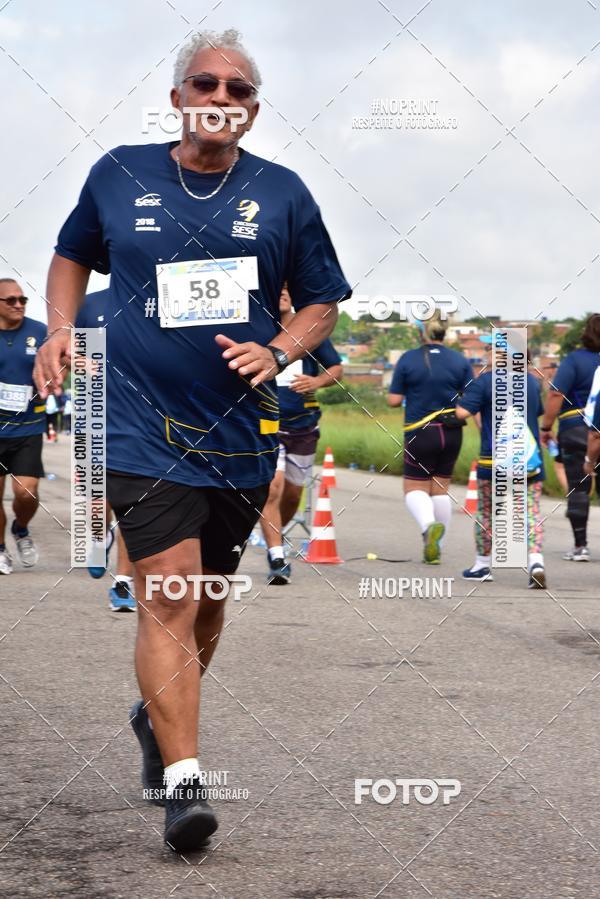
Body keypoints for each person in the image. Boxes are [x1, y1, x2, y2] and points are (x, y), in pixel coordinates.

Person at [34, 29, 350, 852]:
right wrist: (59, 329)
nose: (220, 97)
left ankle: (155, 716)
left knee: (206, 599)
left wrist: (279, 350)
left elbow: (322, 302)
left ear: (252, 108)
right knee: (168, 591)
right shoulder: (120, 172)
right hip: (139, 422)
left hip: (238, 431)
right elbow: (70, 255)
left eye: (238, 89)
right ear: (177, 98)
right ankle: (186, 785)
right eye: (203, 84)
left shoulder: (283, 193)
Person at [260, 286, 343, 584]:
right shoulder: (259, 326)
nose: (283, 293)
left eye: (287, 289)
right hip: (268, 424)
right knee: (273, 487)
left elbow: (336, 368)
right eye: (278, 288)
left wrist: (317, 380)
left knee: (293, 493)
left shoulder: (308, 328)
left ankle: (276, 534)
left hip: (304, 425)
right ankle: (277, 556)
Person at [387, 311, 473, 564]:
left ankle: (428, 528)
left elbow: (393, 400)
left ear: (420, 331)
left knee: (414, 487)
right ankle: (435, 548)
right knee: (440, 489)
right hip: (452, 432)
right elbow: (470, 397)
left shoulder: (408, 359)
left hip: (420, 431)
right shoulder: (460, 360)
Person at [456, 350, 547, 588]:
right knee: (530, 512)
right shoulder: (532, 382)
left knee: (487, 513)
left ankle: (482, 565)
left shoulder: (485, 382)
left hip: (493, 461)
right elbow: (536, 413)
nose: (486, 354)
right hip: (528, 461)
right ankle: (536, 563)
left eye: (491, 350)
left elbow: (462, 413)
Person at [76, 288, 137, 613]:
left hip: (143, 419)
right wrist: (77, 357)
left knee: (131, 502)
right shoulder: (89, 304)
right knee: (99, 501)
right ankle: (99, 539)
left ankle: (123, 582)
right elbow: (64, 348)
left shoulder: (158, 297)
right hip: (96, 416)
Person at [540, 314, 600, 561]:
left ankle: (580, 546)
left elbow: (556, 396)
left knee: (578, 487)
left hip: (576, 428)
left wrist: (546, 427)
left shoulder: (574, 360)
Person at [0, 278, 46, 575]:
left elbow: (62, 363)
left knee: (26, 492)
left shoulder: (40, 332)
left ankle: (21, 528)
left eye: (23, 300)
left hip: (28, 427)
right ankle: (0, 549)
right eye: (11, 300)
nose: (19, 305)